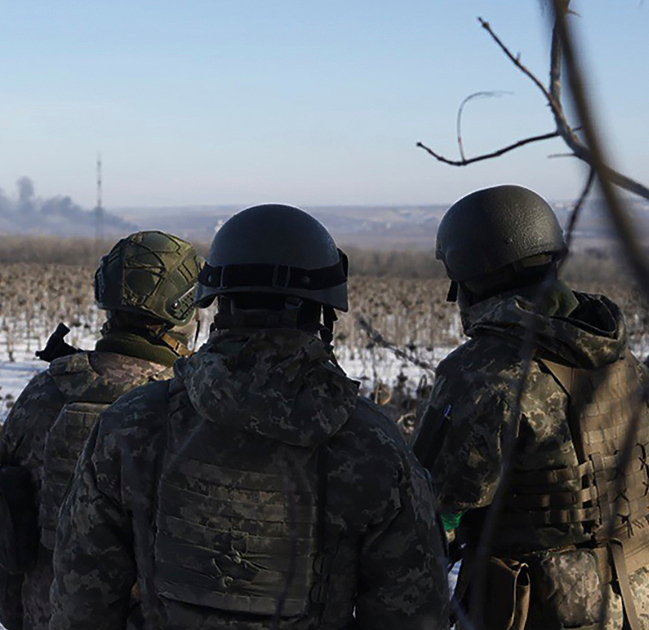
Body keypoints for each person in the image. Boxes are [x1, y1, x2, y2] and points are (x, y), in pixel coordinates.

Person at [50, 204, 450, 630]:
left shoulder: (130, 426)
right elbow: (414, 612)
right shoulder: (373, 446)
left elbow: (82, 602)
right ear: (324, 310)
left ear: (214, 300)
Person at [411, 184, 649, 630]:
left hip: (543, 608)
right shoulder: (617, 355)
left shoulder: (483, 371)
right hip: (642, 599)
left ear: (471, 276)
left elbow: (433, 505)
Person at [0, 230, 204, 630]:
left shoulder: (46, 392)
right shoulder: (190, 408)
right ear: (185, 311)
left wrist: (20, 618)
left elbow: (1, 528)